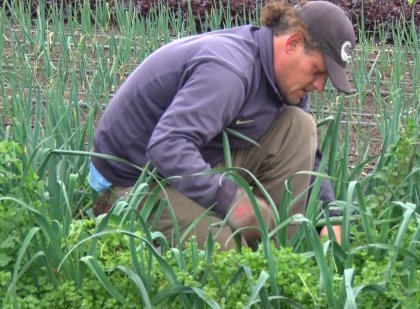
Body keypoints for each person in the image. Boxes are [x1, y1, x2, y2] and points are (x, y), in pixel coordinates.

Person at [90, 0, 356, 250]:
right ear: (293, 43)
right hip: (140, 181)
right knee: (225, 250)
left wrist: (329, 217)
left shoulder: (284, 78)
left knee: (299, 126)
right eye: (318, 71)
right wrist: (233, 200)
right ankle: (253, 261)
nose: (320, 86)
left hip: (195, 163)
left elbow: (311, 157)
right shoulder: (229, 72)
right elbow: (166, 146)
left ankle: (280, 253)